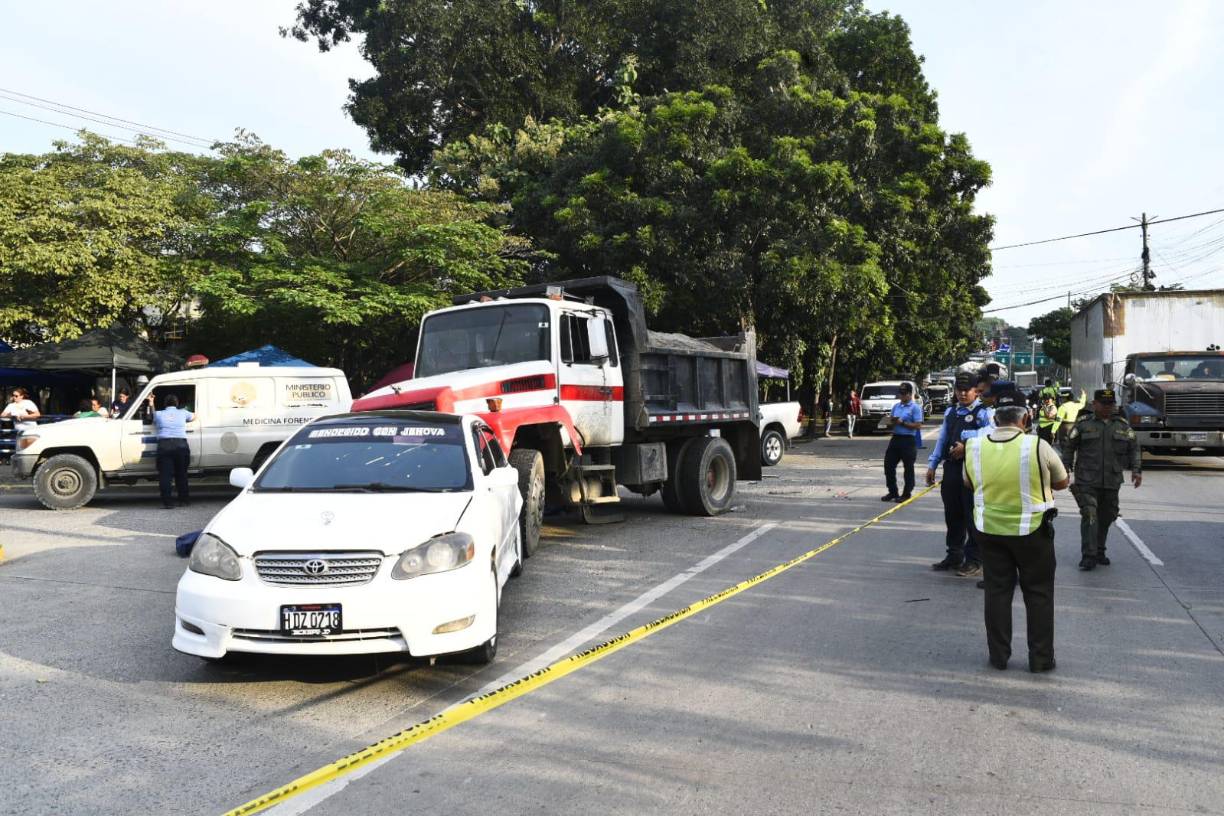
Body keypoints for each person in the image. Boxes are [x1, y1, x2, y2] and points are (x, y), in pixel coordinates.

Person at [965, 389, 1069, 672]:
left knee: (997, 592)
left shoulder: (974, 446)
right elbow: (1062, 482)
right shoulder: (1037, 446)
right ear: (1026, 417)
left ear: (995, 418)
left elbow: (969, 482)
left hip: (989, 531)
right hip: (1032, 533)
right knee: (1039, 594)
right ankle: (1041, 659)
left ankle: (998, 657)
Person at [1060, 389, 1142, 570]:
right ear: (1094, 404)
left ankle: (1099, 550)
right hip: (1086, 479)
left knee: (1107, 516)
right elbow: (1069, 446)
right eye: (1103, 404)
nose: (1107, 407)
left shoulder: (1122, 426)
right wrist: (1065, 468)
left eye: (1110, 404)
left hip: (1112, 480)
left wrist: (1137, 470)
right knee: (1090, 514)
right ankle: (1088, 555)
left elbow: (1134, 448)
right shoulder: (1083, 424)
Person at [925, 370, 990, 576]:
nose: (963, 394)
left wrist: (968, 442)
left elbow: (991, 434)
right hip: (952, 469)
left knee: (972, 516)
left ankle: (974, 559)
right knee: (953, 514)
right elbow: (943, 439)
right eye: (959, 390)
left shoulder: (983, 412)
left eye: (967, 390)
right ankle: (954, 554)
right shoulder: (951, 412)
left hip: (973, 471)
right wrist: (932, 464)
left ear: (976, 391)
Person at [150, 393, 194, 509]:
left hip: (164, 446)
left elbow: (152, 416)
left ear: (165, 404)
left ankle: (168, 502)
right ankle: (183, 500)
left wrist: (151, 403)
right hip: (181, 445)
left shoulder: (159, 414)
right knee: (181, 474)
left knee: (165, 476)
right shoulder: (183, 412)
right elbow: (195, 417)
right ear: (177, 403)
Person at [882, 382, 924, 502]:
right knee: (888, 465)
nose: (901, 396)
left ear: (910, 394)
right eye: (900, 393)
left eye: (904, 394)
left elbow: (918, 425)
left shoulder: (915, 407)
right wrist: (888, 423)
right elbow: (892, 420)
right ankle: (892, 491)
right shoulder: (896, 406)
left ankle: (906, 493)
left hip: (908, 440)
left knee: (908, 468)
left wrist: (903, 423)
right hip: (896, 438)